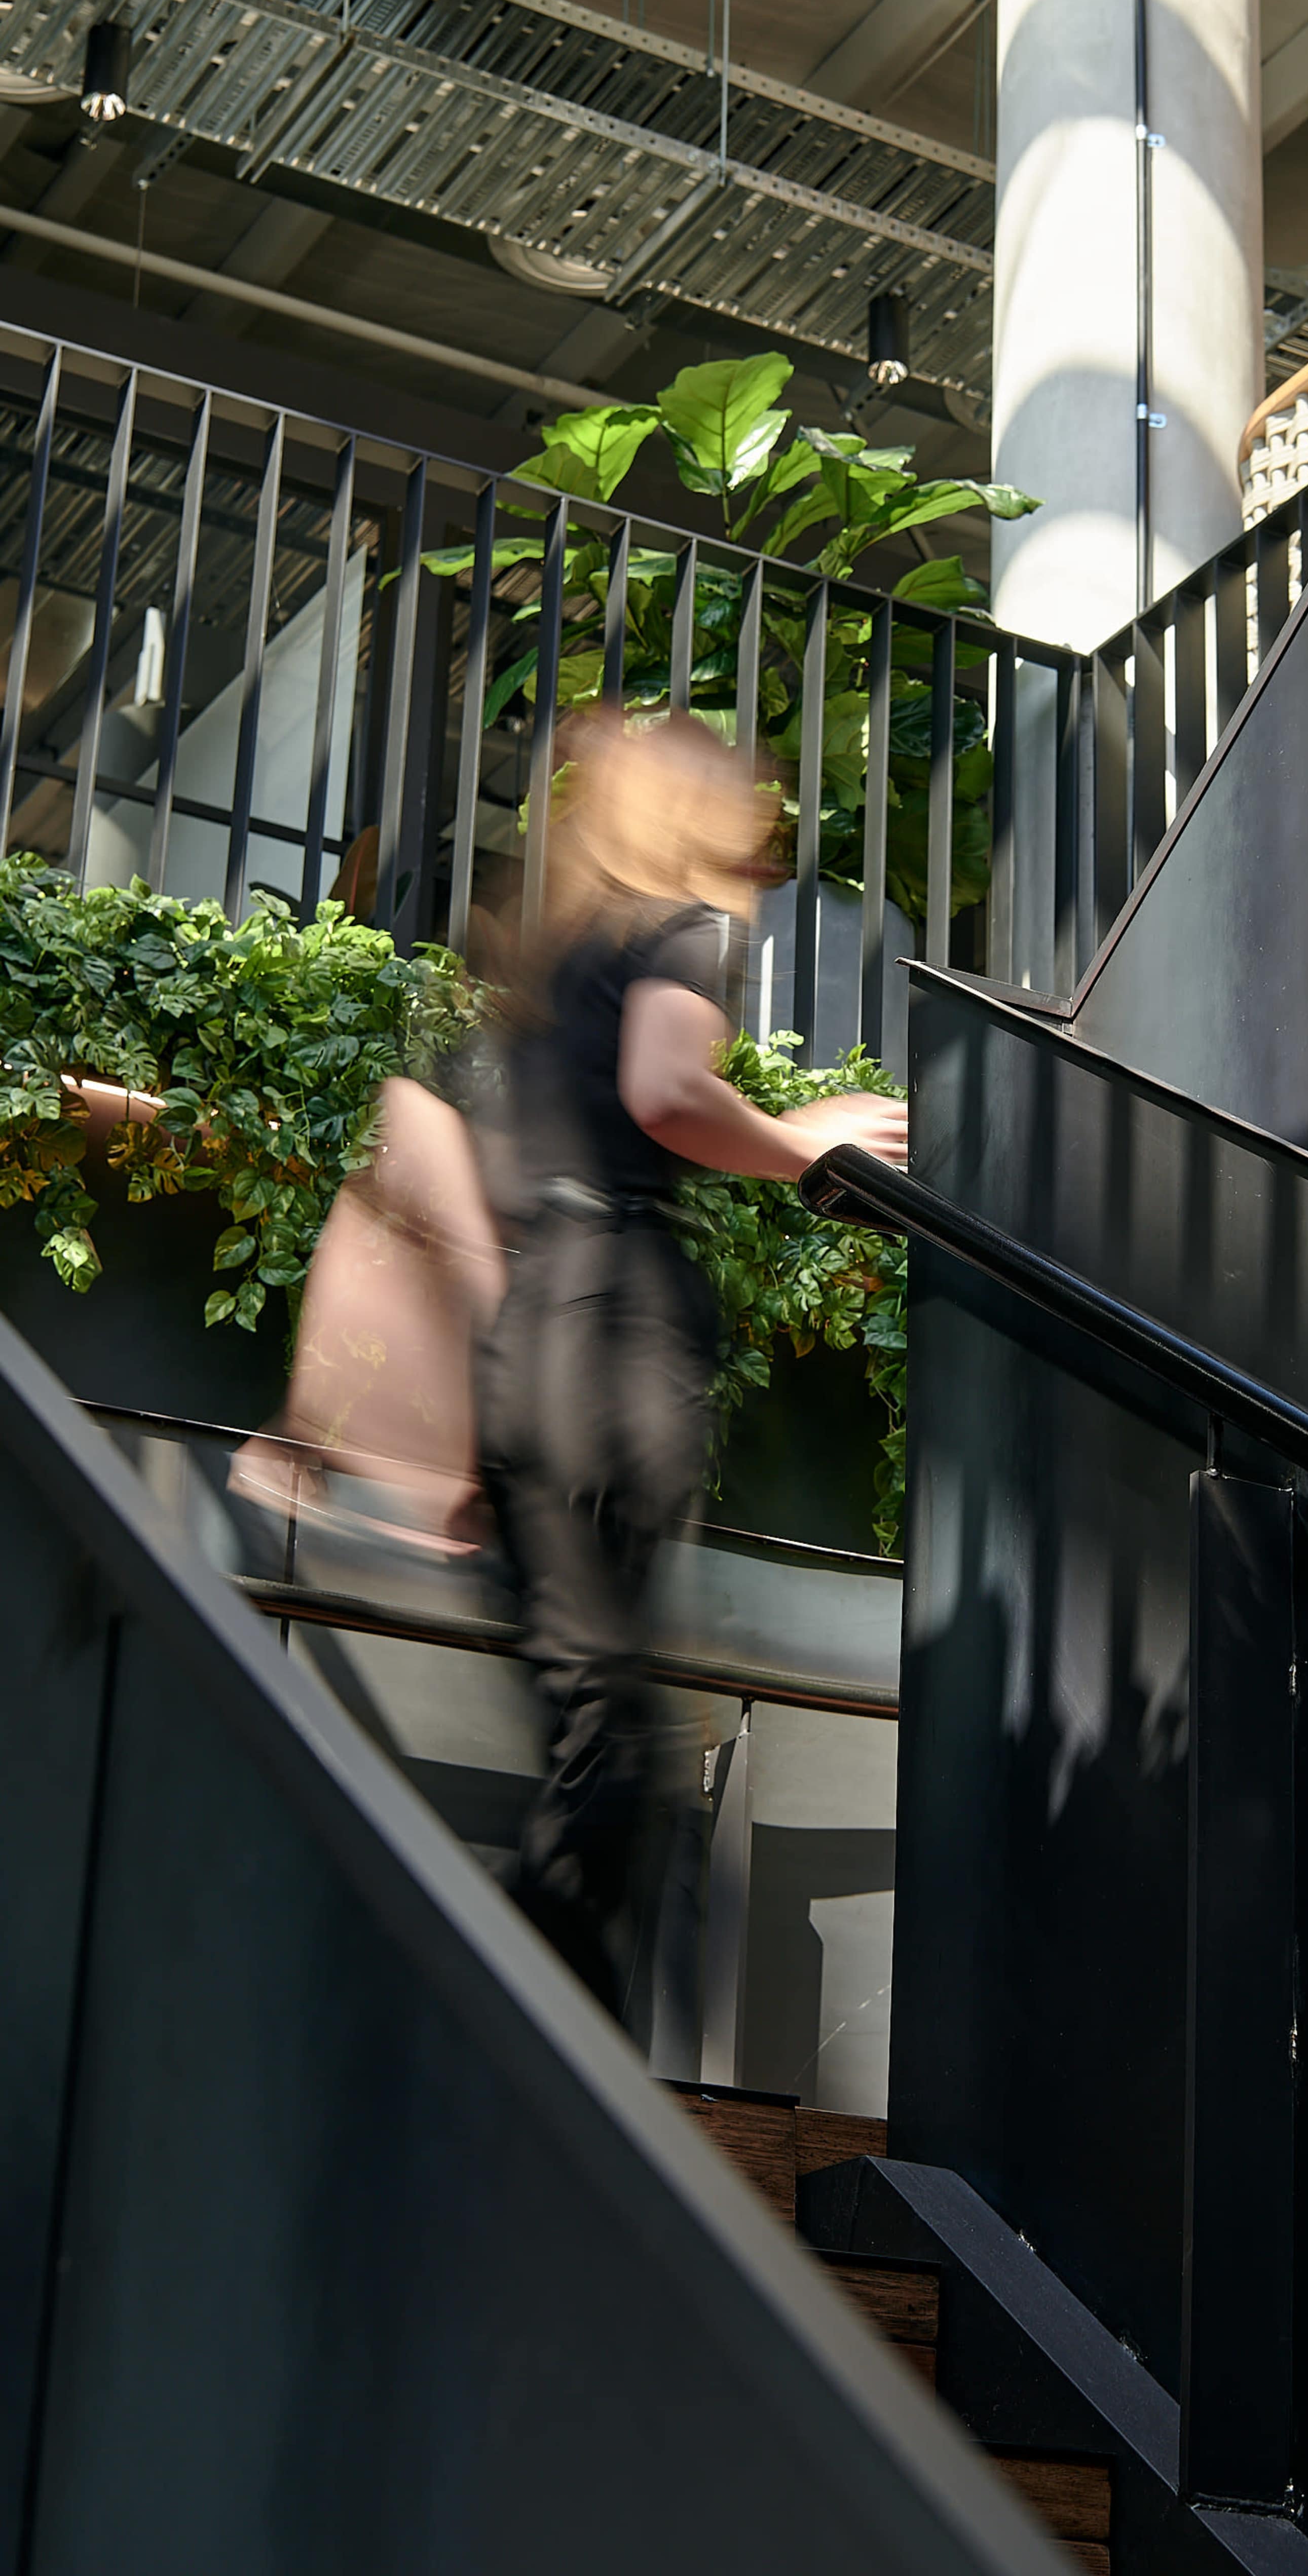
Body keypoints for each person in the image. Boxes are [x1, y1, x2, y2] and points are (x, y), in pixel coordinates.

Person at [470, 709, 906, 2028]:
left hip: (534, 1327)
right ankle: (515, 2035)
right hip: (611, 1331)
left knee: (595, 1724)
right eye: (737, 795)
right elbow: (671, 1095)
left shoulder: (559, 971)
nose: (757, 820)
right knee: (626, 1748)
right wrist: (807, 1140)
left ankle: (522, 2043)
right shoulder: (680, 928)